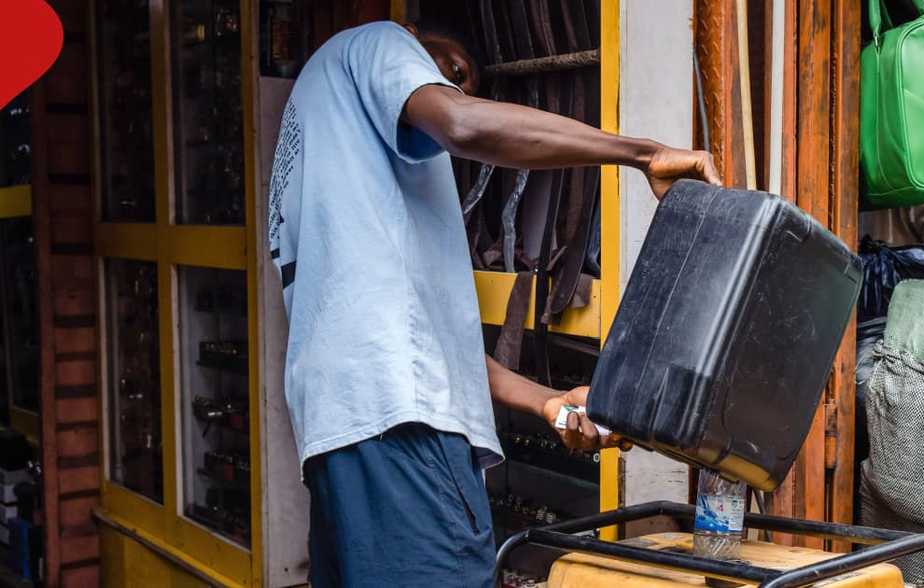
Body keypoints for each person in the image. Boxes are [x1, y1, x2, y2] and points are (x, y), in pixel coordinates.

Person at [267, 19, 719, 588]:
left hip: (342, 444)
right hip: (406, 438)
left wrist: (548, 402)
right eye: (454, 72)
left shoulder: (321, 144)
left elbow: (427, 353)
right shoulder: (379, 42)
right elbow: (460, 122)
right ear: (415, 35)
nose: (458, 89)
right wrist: (644, 153)